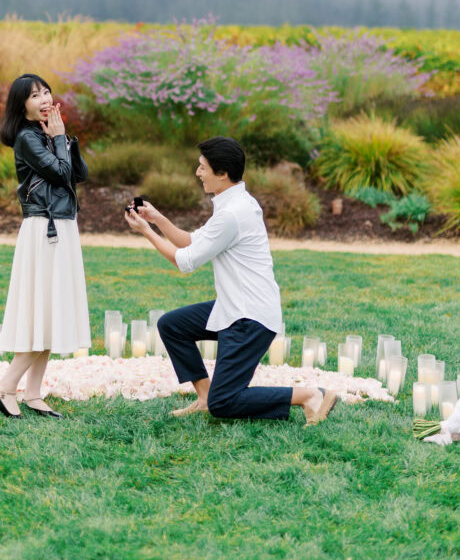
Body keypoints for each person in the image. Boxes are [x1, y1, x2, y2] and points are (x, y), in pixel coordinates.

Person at [125, 136, 336, 426]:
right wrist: (157, 219)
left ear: (222, 173)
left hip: (249, 317)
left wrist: (146, 232)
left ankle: (309, 395)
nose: (198, 172)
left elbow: (185, 261)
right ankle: (204, 398)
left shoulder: (233, 214)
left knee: (224, 402)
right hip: (235, 306)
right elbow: (191, 241)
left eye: (203, 167)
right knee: (172, 326)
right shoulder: (234, 204)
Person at [0, 73, 90, 420]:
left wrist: (64, 138)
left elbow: (79, 173)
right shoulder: (27, 138)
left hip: (61, 226)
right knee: (43, 312)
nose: (45, 99)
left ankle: (32, 393)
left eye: (46, 92)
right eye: (35, 96)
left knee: (51, 312)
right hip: (45, 229)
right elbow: (60, 174)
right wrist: (58, 139)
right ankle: (4, 388)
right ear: (22, 106)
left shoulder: (47, 134)